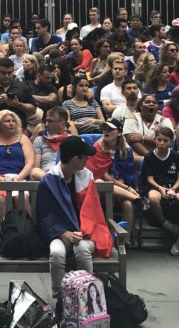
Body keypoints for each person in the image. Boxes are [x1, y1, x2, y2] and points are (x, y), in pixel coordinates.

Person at [36, 135, 113, 307]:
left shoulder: (87, 176)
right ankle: (61, 300)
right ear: (76, 160)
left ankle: (87, 297)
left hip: (86, 233)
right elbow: (44, 218)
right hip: (60, 233)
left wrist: (83, 233)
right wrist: (65, 233)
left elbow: (92, 213)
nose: (88, 159)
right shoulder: (48, 181)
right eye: (85, 157)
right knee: (56, 253)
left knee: (81, 248)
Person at [87, 119, 140, 244]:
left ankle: (124, 240)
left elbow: (126, 174)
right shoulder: (97, 147)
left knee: (127, 204)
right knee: (101, 183)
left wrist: (124, 186)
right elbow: (102, 174)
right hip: (102, 186)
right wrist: (126, 189)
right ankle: (103, 236)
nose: (106, 131)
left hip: (119, 185)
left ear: (119, 132)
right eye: (105, 129)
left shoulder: (126, 150)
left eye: (111, 129)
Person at [142, 126, 179, 256]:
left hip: (175, 186)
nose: (162, 143)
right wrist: (161, 188)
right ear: (155, 140)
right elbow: (149, 179)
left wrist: (173, 188)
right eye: (159, 140)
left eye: (165, 140)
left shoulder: (176, 156)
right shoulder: (149, 156)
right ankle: (165, 223)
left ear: (171, 142)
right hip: (157, 186)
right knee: (153, 198)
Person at [0, 110, 34, 184]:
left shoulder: (23, 138)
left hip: (19, 178)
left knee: (20, 196)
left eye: (13, 121)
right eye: (7, 121)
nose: (11, 124)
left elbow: (30, 162)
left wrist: (19, 177)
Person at [123, 93, 174, 163]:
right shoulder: (132, 118)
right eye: (147, 102)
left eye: (154, 103)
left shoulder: (164, 120)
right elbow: (131, 140)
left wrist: (143, 138)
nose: (151, 104)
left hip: (160, 153)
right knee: (137, 160)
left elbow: (166, 141)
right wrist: (150, 157)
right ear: (141, 106)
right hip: (135, 154)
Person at [32, 106, 71, 180]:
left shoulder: (71, 140)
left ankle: (53, 181)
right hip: (45, 175)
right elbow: (36, 167)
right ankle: (53, 181)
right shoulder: (39, 140)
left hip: (65, 174)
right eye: (46, 121)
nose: (46, 125)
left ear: (62, 124)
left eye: (50, 122)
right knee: (34, 171)